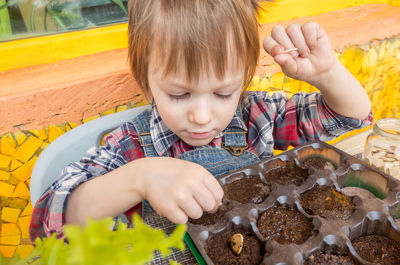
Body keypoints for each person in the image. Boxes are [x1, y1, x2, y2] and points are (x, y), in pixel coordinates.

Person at [29, 0, 372, 241]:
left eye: (223, 93)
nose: (202, 116)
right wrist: (139, 178)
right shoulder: (130, 147)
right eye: (179, 95)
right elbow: (48, 221)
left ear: (245, 78)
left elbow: (350, 120)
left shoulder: (257, 117)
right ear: (145, 80)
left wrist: (328, 75)